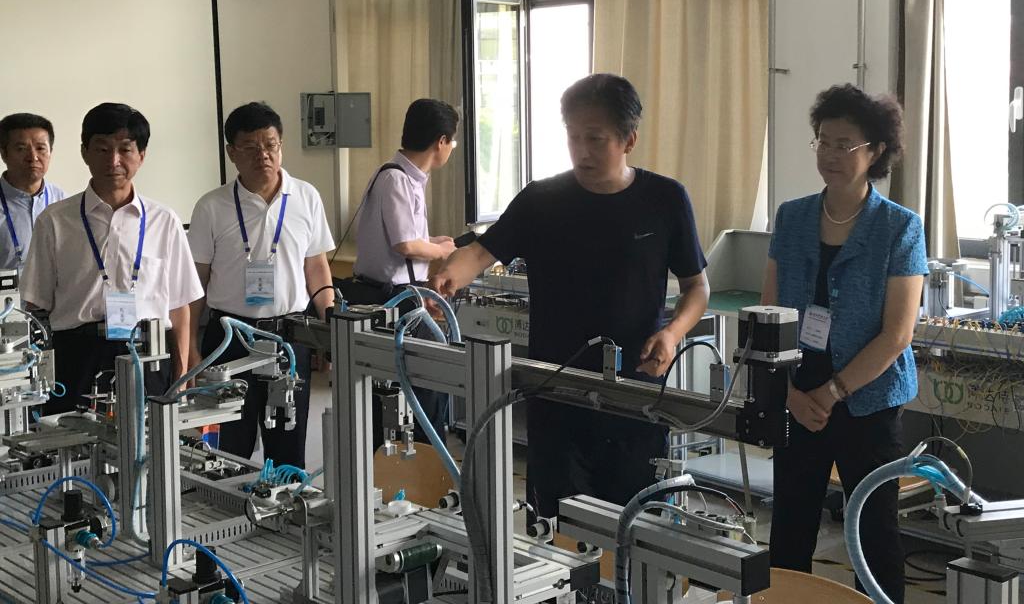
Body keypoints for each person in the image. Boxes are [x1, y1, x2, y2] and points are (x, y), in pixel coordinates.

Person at [431, 73, 709, 517]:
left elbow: (697, 287)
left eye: (595, 139)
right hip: (555, 392)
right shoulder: (542, 200)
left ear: (629, 140)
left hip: (635, 397)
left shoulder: (665, 199)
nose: (581, 151)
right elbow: (482, 252)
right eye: (573, 137)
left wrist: (673, 333)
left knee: (634, 527)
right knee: (556, 528)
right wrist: (449, 277)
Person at [761, 83, 926, 604]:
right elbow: (768, 313)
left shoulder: (900, 228)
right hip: (797, 395)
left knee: (874, 532)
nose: (830, 155)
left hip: (868, 401)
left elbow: (897, 334)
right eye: (823, 142)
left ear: (875, 151)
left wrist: (832, 392)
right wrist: (789, 392)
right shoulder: (791, 217)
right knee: (790, 524)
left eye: (844, 144)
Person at [21, 103, 203, 413]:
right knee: (74, 440)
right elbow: (36, 306)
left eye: (125, 149)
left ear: (141, 155)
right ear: (85, 152)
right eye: (103, 149)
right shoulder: (55, 221)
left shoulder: (164, 221)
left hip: (149, 354)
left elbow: (179, 306)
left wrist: (181, 377)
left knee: (150, 441)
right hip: (77, 356)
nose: (114, 160)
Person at [188, 102, 335, 470]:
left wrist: (331, 329)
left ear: (281, 145)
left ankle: (285, 504)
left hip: (289, 337)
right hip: (229, 339)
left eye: (271, 145)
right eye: (251, 147)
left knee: (288, 446)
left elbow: (316, 267)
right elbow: (195, 284)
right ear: (231, 152)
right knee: (226, 450)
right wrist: (189, 349)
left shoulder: (306, 196)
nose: (263, 155)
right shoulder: (211, 206)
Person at [345, 98, 459, 448]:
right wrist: (442, 251)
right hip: (391, 300)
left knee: (420, 387)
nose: (451, 148)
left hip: (403, 294)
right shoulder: (395, 179)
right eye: (452, 142)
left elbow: (407, 239)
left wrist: (434, 242)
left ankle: (421, 459)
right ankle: (423, 460)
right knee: (425, 385)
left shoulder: (407, 178)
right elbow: (404, 245)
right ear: (441, 141)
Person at [0, 113, 65, 271]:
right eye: (21, 149)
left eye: (41, 148)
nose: (33, 157)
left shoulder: (63, 202)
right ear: (4, 154)